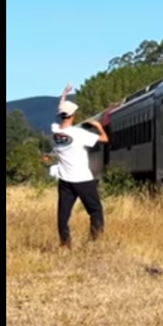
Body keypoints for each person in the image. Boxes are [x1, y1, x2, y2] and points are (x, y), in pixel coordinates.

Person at [44, 94, 110, 248]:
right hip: (83, 179)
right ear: (74, 114)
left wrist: (64, 96)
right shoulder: (79, 134)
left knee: (63, 214)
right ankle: (94, 242)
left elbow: (62, 112)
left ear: (60, 115)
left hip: (65, 180)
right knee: (95, 210)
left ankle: (65, 243)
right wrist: (98, 126)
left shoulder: (55, 131)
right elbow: (105, 139)